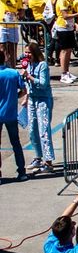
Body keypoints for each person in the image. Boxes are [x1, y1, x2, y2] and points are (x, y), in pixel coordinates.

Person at [22, 42, 54, 174]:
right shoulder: (28, 64)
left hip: (43, 100)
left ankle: (48, 161)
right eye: (25, 52)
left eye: (29, 52)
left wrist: (30, 77)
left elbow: (43, 83)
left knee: (43, 130)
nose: (26, 55)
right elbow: (27, 84)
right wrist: (26, 96)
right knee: (32, 130)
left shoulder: (43, 65)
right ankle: (37, 157)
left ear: (34, 52)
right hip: (32, 100)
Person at [0, 52, 27, 181]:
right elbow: (24, 90)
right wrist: (14, 97)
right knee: (16, 143)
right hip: (10, 113)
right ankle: (22, 171)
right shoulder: (13, 73)